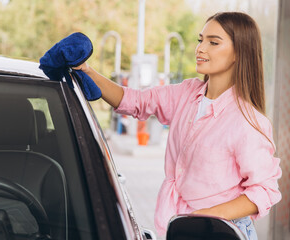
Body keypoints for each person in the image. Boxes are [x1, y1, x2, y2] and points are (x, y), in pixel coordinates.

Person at [73, 12, 282, 239]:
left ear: (239, 53)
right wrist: (86, 70)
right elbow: (134, 101)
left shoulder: (247, 121)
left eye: (213, 42)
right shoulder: (186, 93)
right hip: (182, 229)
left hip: (219, 233)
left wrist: (204, 218)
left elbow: (265, 190)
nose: (200, 48)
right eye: (200, 40)